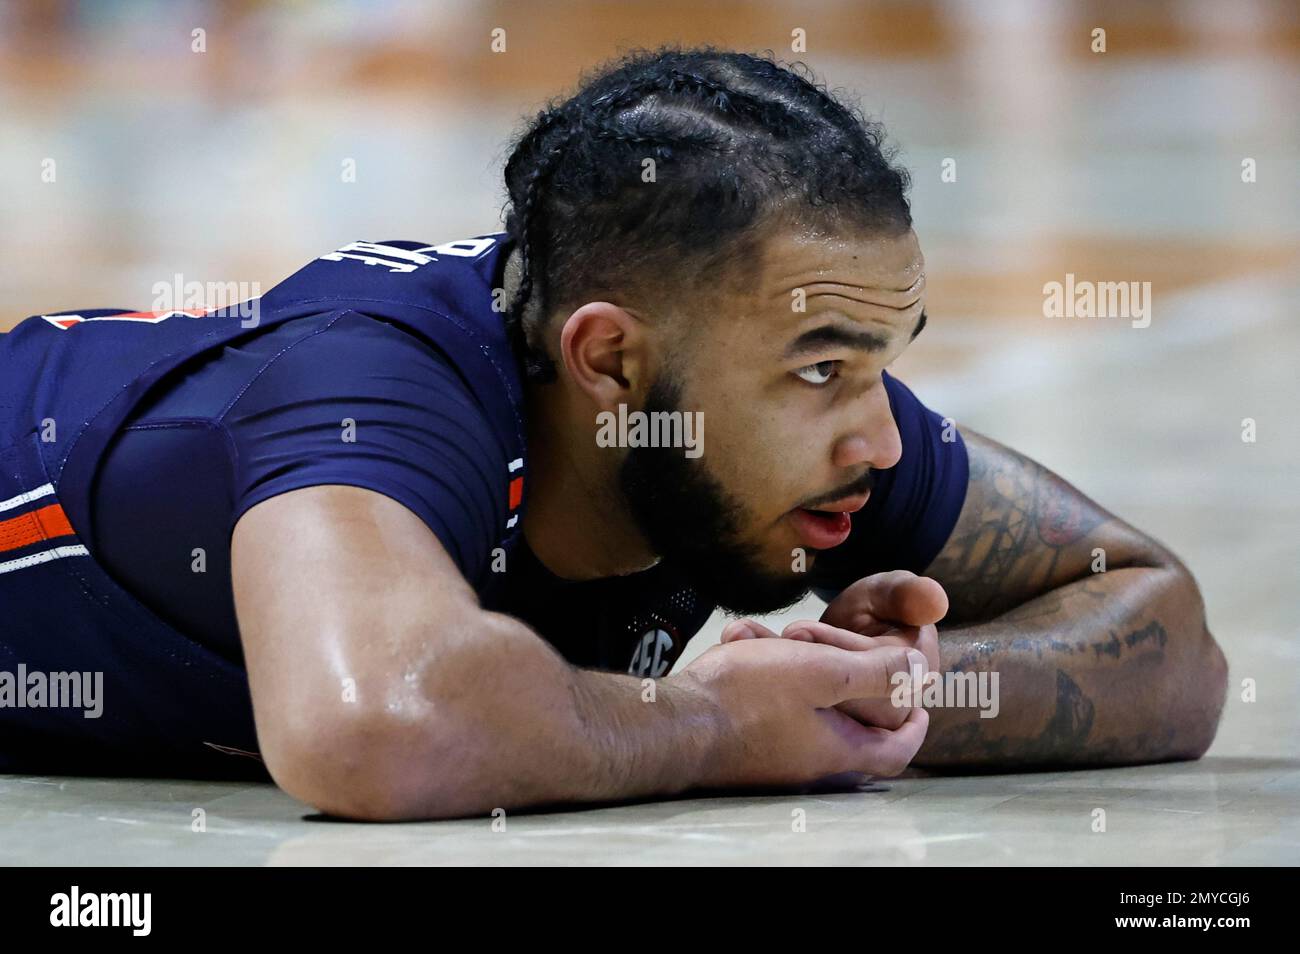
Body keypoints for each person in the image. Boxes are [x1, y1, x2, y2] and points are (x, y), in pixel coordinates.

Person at [0, 47, 1226, 820]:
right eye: (821, 372)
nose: (882, 438)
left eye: (879, 366)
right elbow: (368, 724)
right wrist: (720, 726)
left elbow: (1163, 627)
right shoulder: (373, 386)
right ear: (607, 360)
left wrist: (869, 697)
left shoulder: (753, 417)